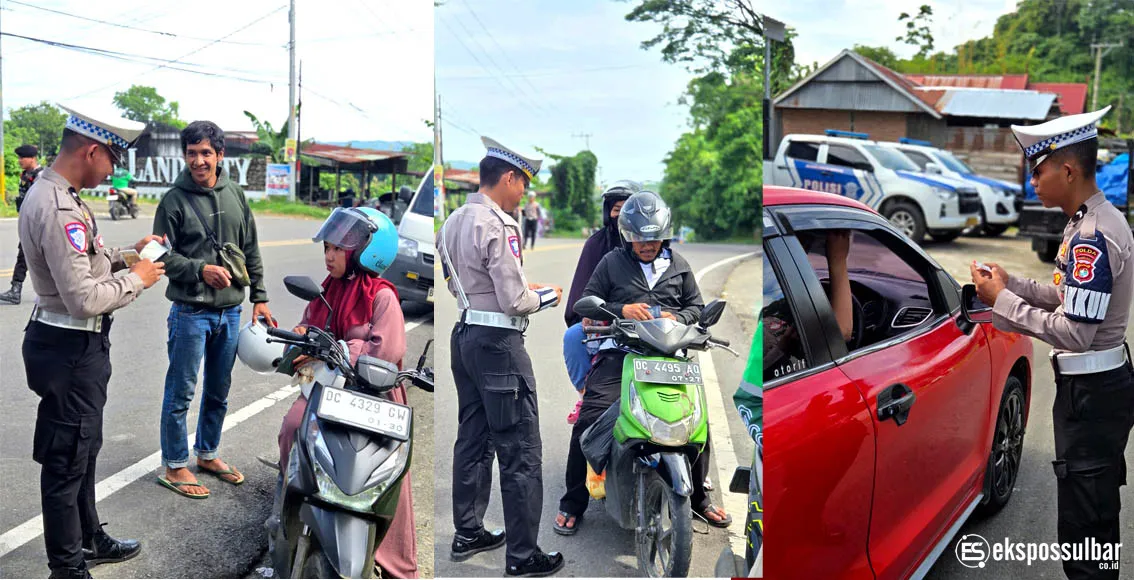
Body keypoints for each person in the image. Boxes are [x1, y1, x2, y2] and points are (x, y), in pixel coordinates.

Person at [971, 106, 1134, 580]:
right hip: (1096, 393)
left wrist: (1001, 303)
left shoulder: (1092, 236)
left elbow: (1075, 333)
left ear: (1067, 169)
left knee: (1086, 532)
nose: (1033, 182)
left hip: (1092, 396)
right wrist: (1013, 284)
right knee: (1092, 520)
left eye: (1038, 171)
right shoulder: (1090, 222)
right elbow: (1067, 299)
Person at [19, 106, 164, 579]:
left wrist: (128, 256)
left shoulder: (63, 195)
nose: (114, 170)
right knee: (65, 462)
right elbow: (82, 298)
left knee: (84, 448)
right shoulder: (58, 207)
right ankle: (68, 569)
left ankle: (88, 538)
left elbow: (88, 266)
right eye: (113, 159)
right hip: (68, 348)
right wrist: (139, 280)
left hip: (73, 347)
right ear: (92, 150)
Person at [555, 191, 731, 533]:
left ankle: (699, 500)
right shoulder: (611, 263)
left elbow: (696, 308)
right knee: (589, 418)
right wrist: (621, 310)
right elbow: (584, 304)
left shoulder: (679, 266)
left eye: (653, 239)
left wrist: (675, 315)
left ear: (664, 236)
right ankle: (572, 501)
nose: (647, 245)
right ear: (627, 237)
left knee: (697, 422)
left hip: (669, 355)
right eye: (639, 239)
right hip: (621, 353)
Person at [437, 136, 566, 577]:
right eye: (523, 184)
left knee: (473, 439)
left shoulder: (452, 221)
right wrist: (547, 296)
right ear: (507, 177)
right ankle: (524, 556)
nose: (523, 194)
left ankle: (468, 532)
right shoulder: (500, 225)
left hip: (466, 335)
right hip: (499, 348)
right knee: (521, 450)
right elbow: (514, 300)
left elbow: (457, 286)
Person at [269, 207, 419, 577]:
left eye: (338, 248)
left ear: (366, 251)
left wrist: (344, 349)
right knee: (292, 428)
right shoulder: (326, 292)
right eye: (328, 248)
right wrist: (297, 342)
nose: (329, 255)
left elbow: (387, 352)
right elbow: (305, 328)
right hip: (327, 393)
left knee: (389, 467)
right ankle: (285, 516)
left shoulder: (382, 297)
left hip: (373, 397)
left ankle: (392, 558)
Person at [152, 120, 274, 499]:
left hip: (230, 312)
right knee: (181, 392)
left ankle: (206, 454)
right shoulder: (173, 201)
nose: (199, 161)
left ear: (220, 155)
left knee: (219, 390)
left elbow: (249, 247)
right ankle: (174, 465)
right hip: (190, 312)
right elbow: (157, 256)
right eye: (192, 153)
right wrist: (199, 270)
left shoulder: (235, 194)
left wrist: (261, 296)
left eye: (206, 153)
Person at [561, 180, 640, 423]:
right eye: (617, 210)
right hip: (605, 320)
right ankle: (587, 395)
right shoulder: (597, 245)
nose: (622, 216)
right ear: (608, 212)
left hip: (646, 320)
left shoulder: (652, 247)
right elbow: (582, 293)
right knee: (574, 336)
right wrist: (598, 313)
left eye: (628, 209)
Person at [1, 144, 45, 305]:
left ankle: (16, 290)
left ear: (32, 158)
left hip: (38, 224)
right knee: (25, 255)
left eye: (22, 158)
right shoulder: (26, 175)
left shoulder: (41, 176)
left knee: (37, 256)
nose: (19, 161)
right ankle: (15, 290)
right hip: (27, 222)